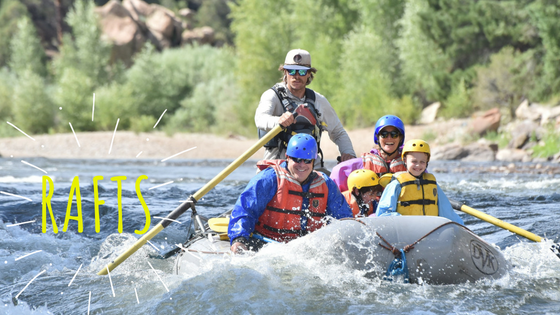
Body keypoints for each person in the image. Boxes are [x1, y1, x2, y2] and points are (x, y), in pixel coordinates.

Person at [228, 134, 353, 253]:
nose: (302, 165)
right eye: (297, 159)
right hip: (265, 244)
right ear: (288, 157)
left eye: (307, 160)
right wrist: (239, 239)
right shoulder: (269, 178)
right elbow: (245, 210)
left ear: (313, 161)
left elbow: (343, 219)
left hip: (307, 248)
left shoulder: (325, 183)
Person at [255, 49, 356, 169]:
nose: (296, 76)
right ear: (285, 72)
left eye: (302, 72)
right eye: (292, 71)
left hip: (311, 168)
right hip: (277, 166)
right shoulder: (272, 96)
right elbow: (260, 119)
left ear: (309, 74)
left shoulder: (319, 101)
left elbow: (338, 132)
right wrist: (278, 121)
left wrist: (349, 154)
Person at [376, 139, 464, 224]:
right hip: (404, 230)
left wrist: (460, 226)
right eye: (414, 161)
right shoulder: (396, 184)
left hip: (430, 230)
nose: (418, 165)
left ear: (427, 162)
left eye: (422, 162)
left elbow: (447, 211)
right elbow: (384, 214)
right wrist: (402, 221)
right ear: (405, 160)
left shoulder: (432, 185)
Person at [330, 115, 408, 192]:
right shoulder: (364, 163)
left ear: (400, 138)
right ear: (377, 138)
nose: (389, 138)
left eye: (394, 134)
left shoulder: (409, 163)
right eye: (384, 134)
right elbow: (338, 171)